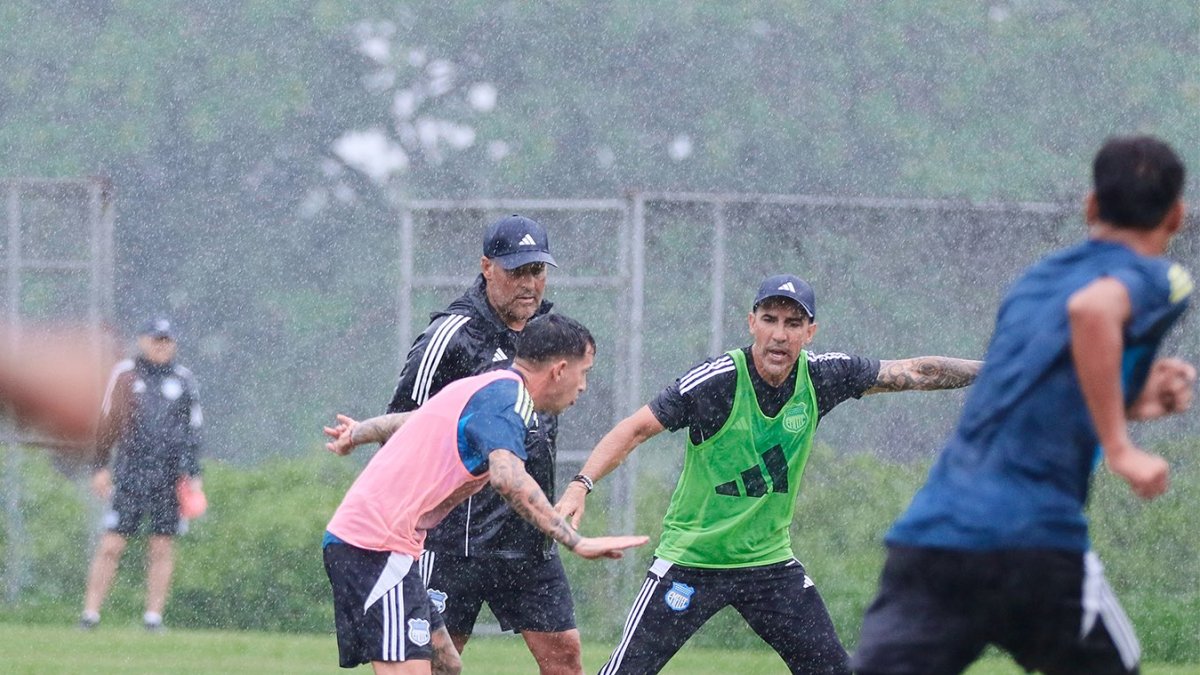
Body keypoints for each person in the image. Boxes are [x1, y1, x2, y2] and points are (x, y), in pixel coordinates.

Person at [852, 135, 1194, 675]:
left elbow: (1033, 387)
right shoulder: (1163, 277)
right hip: (1034, 543)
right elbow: (1093, 312)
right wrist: (1120, 447)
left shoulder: (1034, 283)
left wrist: (1133, 397)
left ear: (1090, 206)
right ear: (1176, 215)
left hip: (933, 539)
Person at [555, 274, 983, 674]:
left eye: (793, 323)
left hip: (768, 566)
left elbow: (916, 372)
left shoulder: (821, 376)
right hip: (691, 561)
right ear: (752, 323)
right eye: (770, 319)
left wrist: (1003, 371)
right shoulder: (716, 381)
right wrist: (580, 485)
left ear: (809, 332)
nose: (780, 334)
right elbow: (634, 429)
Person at [322, 314, 648, 674]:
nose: (584, 386)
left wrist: (357, 434)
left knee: (446, 666)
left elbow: (412, 420)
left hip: (382, 546)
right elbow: (508, 478)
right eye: (583, 372)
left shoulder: (487, 386)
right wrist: (575, 541)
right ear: (559, 369)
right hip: (374, 546)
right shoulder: (509, 402)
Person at [384, 214, 586, 674]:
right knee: (433, 665)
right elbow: (400, 426)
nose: (529, 284)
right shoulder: (451, 336)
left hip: (527, 540)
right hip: (454, 540)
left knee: (565, 657)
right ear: (487, 267)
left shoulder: (550, 334)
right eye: (517, 271)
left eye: (537, 271)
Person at [80, 317, 204, 632]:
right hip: (130, 474)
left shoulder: (184, 379)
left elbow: (193, 431)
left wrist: (193, 475)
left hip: (169, 477)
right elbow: (106, 422)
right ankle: (90, 615)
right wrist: (99, 467)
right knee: (112, 545)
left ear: (174, 343)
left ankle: (153, 618)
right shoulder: (124, 375)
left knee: (162, 546)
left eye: (167, 340)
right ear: (143, 341)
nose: (162, 346)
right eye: (156, 339)